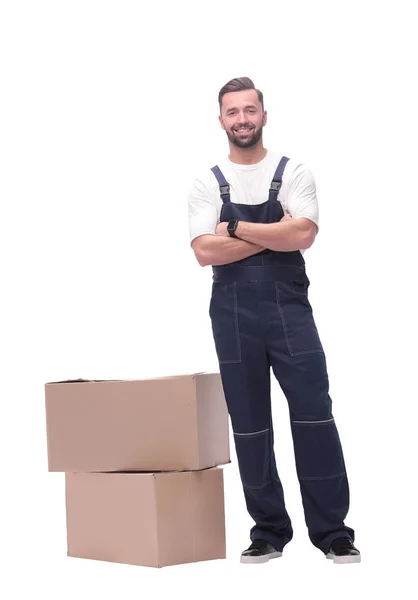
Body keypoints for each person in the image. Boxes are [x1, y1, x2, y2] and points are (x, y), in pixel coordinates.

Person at [187, 77, 360, 565]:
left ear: (264, 116)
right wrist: (277, 231)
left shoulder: (295, 171)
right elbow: (204, 251)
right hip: (233, 316)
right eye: (232, 112)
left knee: (314, 417)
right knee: (249, 425)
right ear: (220, 120)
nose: (241, 119)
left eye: (250, 110)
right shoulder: (207, 181)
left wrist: (238, 228)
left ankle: (333, 532)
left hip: (290, 314)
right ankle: (267, 530)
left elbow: (304, 235)